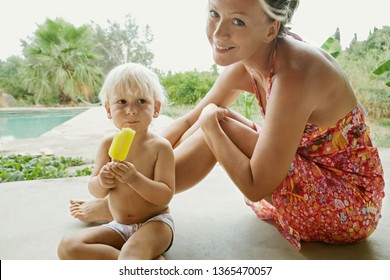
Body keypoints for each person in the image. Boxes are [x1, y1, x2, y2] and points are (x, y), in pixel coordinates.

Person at [70, 0, 385, 251]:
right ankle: (122, 202)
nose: (219, 32)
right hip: (306, 175)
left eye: (238, 21)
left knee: (217, 123)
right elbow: (188, 120)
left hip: (348, 205)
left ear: (271, 28)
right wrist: (134, 159)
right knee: (212, 119)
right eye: (213, 13)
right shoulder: (249, 62)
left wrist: (210, 123)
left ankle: (131, 203)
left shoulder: (297, 71)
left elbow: (256, 185)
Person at [58, 62, 175, 259]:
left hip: (156, 224)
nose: (131, 110)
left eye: (141, 101)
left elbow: (165, 195)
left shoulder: (161, 147)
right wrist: (102, 181)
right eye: (121, 102)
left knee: (131, 253)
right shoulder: (107, 145)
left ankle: (133, 259)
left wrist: (134, 178)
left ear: (155, 108)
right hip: (119, 225)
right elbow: (95, 190)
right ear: (108, 109)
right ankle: (138, 263)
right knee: (67, 246)